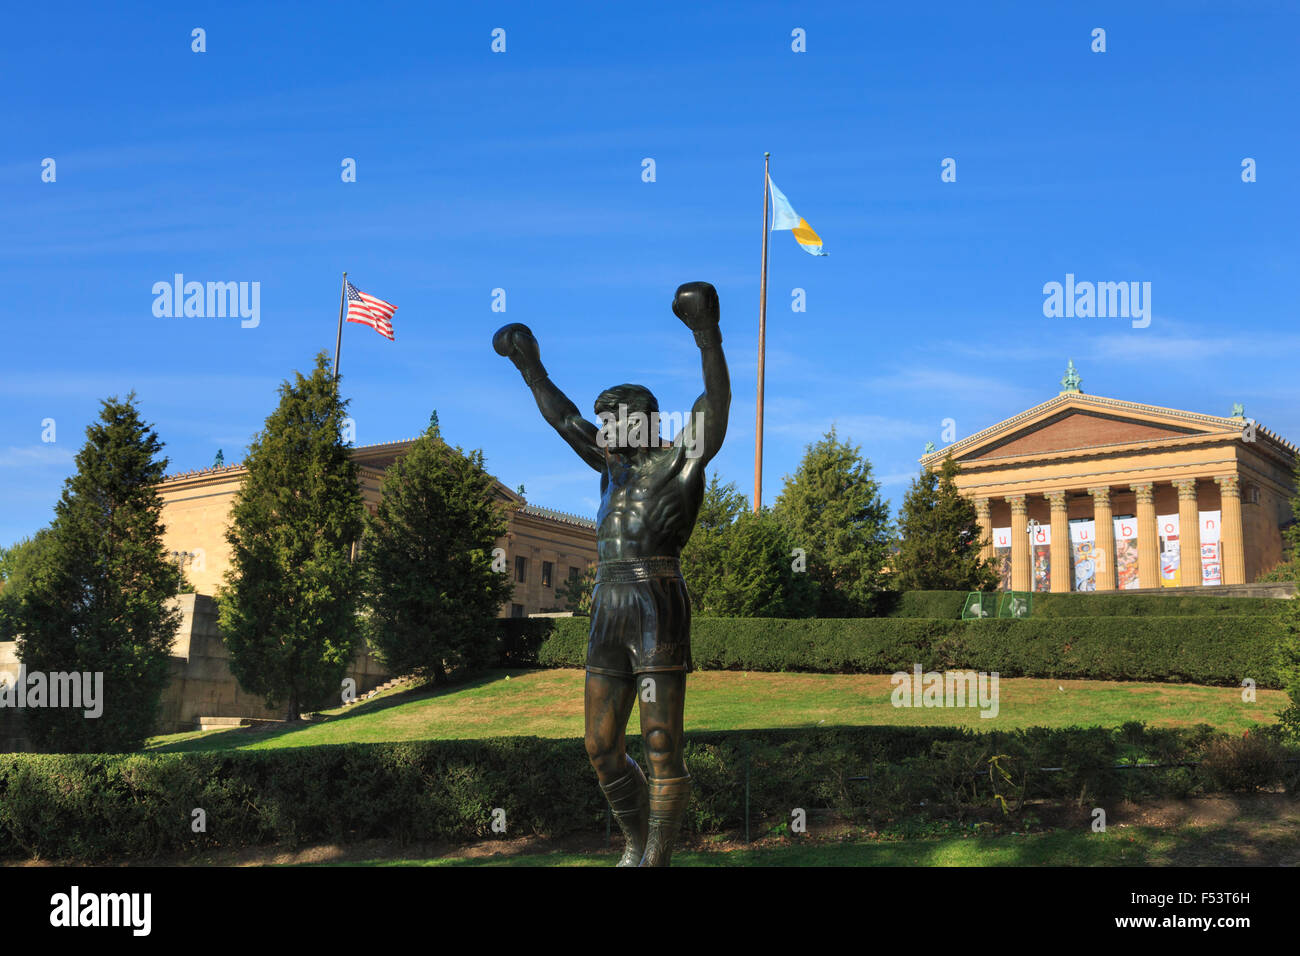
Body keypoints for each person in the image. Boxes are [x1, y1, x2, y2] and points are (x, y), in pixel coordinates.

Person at [492, 281, 730, 866]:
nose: (600, 433)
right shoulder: (611, 470)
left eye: (611, 423)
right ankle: (634, 839)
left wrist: (706, 334)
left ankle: (656, 859)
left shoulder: (681, 460)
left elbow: (715, 403)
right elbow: (563, 418)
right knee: (600, 744)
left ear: (639, 423)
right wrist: (531, 367)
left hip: (656, 597)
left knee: (658, 743)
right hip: (608, 600)